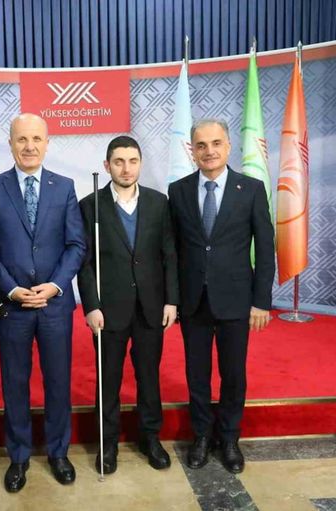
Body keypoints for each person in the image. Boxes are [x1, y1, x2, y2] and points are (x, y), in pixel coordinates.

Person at [0, 113, 86, 492]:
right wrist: (10, 289)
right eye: (22, 139)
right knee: (15, 382)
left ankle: (58, 452)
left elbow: (76, 244)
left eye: (37, 139)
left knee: (58, 382)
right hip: (13, 306)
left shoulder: (64, 187)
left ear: (47, 143)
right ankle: (19, 456)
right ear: (10, 143)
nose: (29, 146)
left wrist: (55, 285)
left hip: (54, 305)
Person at [167, 118, 275, 474]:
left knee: (233, 374)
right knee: (196, 374)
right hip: (193, 300)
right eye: (201, 145)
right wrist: (173, 298)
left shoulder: (252, 189)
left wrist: (261, 301)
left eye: (216, 143)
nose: (209, 151)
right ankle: (201, 435)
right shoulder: (178, 190)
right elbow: (173, 250)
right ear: (193, 150)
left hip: (236, 300)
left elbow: (266, 248)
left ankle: (229, 438)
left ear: (228, 147)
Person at [77, 136, 179, 474]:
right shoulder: (90, 205)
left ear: (140, 164)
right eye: (118, 162)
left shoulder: (158, 202)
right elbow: (85, 263)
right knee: (108, 379)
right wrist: (91, 305)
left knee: (149, 376)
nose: (126, 168)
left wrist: (171, 300)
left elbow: (169, 254)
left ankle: (150, 438)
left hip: (151, 305)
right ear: (107, 165)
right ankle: (107, 443)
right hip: (108, 310)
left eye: (132, 161)